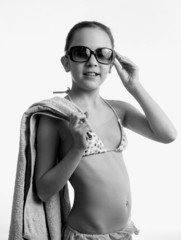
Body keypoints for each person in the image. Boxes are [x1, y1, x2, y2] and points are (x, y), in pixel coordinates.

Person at [34, 21, 177, 239]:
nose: (92, 61)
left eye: (102, 53)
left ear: (112, 64)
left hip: (123, 232)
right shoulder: (56, 116)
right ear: (66, 62)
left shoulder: (117, 109)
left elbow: (168, 135)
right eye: (81, 53)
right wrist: (77, 149)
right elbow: (43, 191)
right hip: (87, 235)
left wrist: (134, 87)